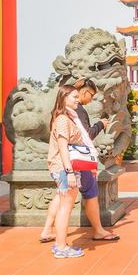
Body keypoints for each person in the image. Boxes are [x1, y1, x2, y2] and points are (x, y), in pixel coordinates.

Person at [40, 79, 119, 243]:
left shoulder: (71, 114)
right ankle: (65, 244)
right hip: (72, 165)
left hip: (70, 164)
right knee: (79, 199)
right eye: (90, 94)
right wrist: (100, 124)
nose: (87, 99)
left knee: (62, 198)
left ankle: (48, 230)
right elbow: (82, 138)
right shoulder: (70, 115)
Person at [44, 85, 90, 258]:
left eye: (78, 97)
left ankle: (60, 244)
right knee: (65, 207)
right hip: (64, 168)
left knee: (66, 206)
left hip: (67, 167)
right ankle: (61, 247)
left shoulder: (69, 117)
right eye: (74, 97)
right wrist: (70, 172)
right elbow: (63, 147)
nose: (78, 100)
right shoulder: (63, 119)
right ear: (63, 98)